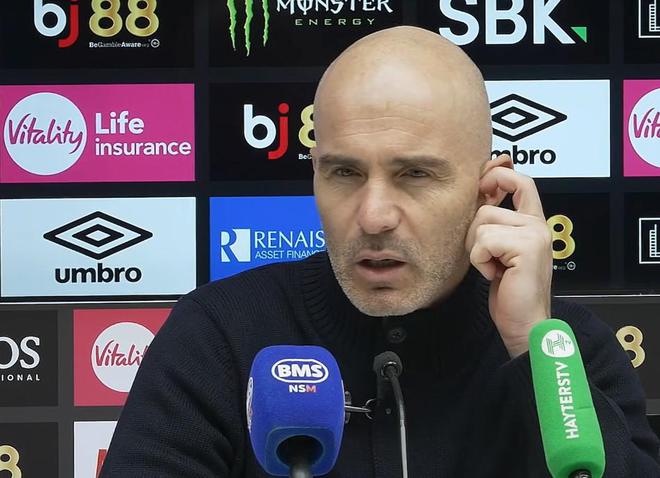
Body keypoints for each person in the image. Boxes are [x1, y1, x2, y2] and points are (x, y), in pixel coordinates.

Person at [100, 26, 660, 477]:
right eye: (344, 173)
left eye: (415, 174)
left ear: (489, 191)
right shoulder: (218, 333)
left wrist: (529, 347)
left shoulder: (567, 348)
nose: (373, 216)